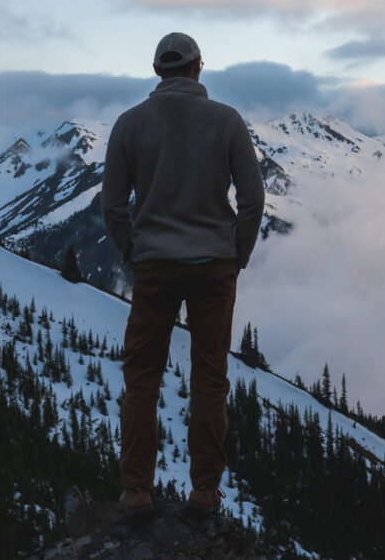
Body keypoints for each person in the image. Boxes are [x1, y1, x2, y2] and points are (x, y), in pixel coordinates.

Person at [101, 32, 265, 515]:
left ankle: (136, 491)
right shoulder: (227, 121)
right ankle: (204, 491)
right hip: (214, 265)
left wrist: (136, 252)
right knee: (210, 377)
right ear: (198, 68)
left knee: (142, 379)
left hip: (154, 265)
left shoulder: (130, 125)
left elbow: (113, 206)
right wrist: (237, 256)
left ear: (157, 71)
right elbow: (253, 200)